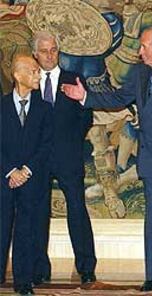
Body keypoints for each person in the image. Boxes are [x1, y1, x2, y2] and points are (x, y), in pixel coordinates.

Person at [62, 24, 152, 292]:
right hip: (150, 161)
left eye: (144, 46)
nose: (140, 51)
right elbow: (116, 98)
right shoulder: (140, 74)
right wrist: (85, 96)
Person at [31, 31, 96, 286]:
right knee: (38, 213)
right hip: (37, 160)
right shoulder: (30, 81)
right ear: (35, 54)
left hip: (68, 157)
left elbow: (85, 117)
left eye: (54, 50)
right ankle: (39, 268)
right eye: (45, 50)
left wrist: (69, 142)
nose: (50, 55)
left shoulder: (74, 79)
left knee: (78, 211)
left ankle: (86, 267)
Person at [0, 55, 53, 295]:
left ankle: (23, 282)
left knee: (27, 230)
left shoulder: (44, 108)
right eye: (33, 71)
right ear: (18, 75)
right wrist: (11, 171)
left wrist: (26, 171)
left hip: (32, 181)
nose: (38, 75)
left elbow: (46, 145)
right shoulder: (1, 106)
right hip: (4, 179)